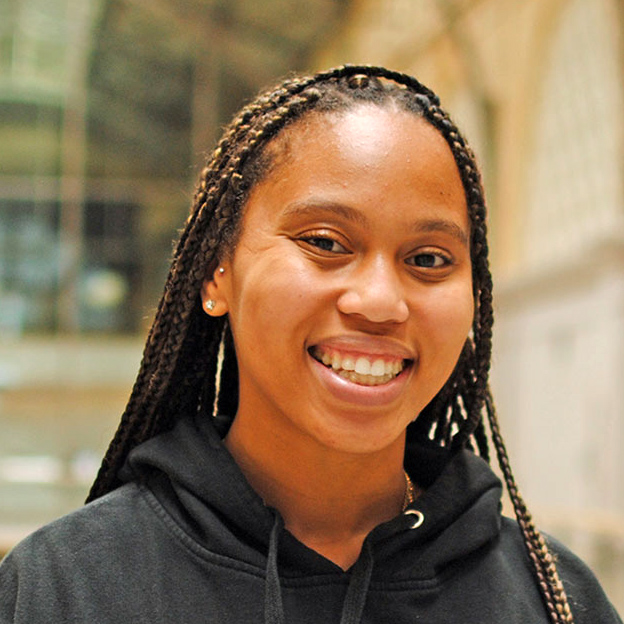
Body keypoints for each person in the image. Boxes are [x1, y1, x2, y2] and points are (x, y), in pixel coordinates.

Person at [0, 65, 621, 624]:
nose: (381, 301)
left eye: (428, 258)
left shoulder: (551, 599)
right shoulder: (67, 586)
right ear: (217, 272)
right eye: (325, 242)